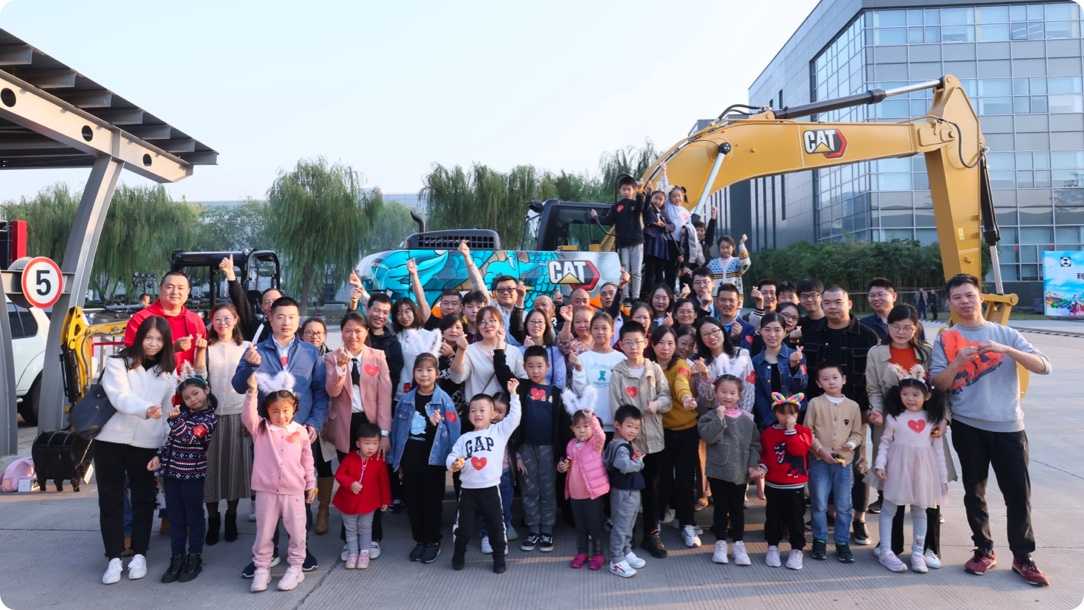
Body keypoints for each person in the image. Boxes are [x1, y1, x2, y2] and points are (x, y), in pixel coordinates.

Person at [930, 274, 1052, 586]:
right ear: (950, 302)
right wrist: (957, 363)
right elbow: (938, 384)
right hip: (968, 426)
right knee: (974, 492)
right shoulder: (946, 338)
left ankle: (1023, 556)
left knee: (1017, 494)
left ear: (980, 297)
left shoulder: (1006, 334)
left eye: (969, 295)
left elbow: (1043, 365)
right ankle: (983, 549)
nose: (964, 301)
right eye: (957, 297)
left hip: (1008, 426)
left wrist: (1007, 351)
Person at [232, 296, 328, 575]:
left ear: (298, 321)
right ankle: (269, 551)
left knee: (301, 492)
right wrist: (248, 366)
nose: (286, 322)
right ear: (270, 319)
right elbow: (238, 385)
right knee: (267, 496)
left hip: (300, 435)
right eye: (280, 317)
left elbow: (320, 393)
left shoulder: (310, 352)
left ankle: (301, 549)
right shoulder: (256, 350)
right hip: (267, 437)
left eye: (292, 317)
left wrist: (314, 423)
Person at [865, 304, 952, 564]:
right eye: (896, 326)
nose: (901, 332)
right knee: (892, 482)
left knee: (928, 486)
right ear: (888, 326)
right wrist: (877, 412)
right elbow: (874, 389)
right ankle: (890, 545)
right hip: (891, 423)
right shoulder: (877, 353)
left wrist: (944, 419)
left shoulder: (926, 352)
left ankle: (929, 548)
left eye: (907, 327)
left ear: (916, 328)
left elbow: (940, 390)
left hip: (927, 425)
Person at [97, 316, 177, 585]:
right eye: (148, 337)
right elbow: (119, 396)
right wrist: (145, 409)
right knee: (111, 500)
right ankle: (113, 557)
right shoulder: (118, 362)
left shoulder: (168, 372)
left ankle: (140, 554)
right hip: (111, 438)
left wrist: (165, 443)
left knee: (144, 499)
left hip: (147, 441)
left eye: (159, 339)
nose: (152, 343)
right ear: (139, 337)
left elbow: (167, 411)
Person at [802, 285, 879, 546]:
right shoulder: (813, 333)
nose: (833, 307)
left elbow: (873, 377)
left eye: (838, 301)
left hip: (854, 412)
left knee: (856, 466)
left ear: (849, 303)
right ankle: (830, 513)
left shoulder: (866, 336)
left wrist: (869, 408)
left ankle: (859, 519)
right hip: (820, 411)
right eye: (827, 303)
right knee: (822, 463)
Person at [241, 371, 317, 593]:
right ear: (267, 411)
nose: (281, 416)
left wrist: (311, 483)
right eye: (275, 411)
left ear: (294, 409)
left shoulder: (300, 431)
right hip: (266, 492)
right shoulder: (261, 429)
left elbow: (307, 460)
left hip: (294, 491)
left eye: (285, 410)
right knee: (264, 532)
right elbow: (248, 416)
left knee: (298, 531)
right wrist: (252, 391)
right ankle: (262, 568)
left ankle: (296, 567)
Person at [324, 312, 392, 557]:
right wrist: (341, 367)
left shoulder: (377, 356)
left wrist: (384, 433)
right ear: (341, 332)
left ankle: (373, 537)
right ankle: (349, 539)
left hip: (371, 424)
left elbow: (384, 396)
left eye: (358, 331)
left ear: (366, 332)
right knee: (349, 480)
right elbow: (332, 391)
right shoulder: (331, 357)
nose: (353, 336)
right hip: (345, 424)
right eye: (348, 331)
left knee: (372, 480)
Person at [872, 374, 948, 574]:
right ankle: (886, 551)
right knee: (889, 508)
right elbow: (885, 442)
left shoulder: (932, 420)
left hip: (922, 471)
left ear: (927, 396)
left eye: (915, 394)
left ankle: (917, 553)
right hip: (897, 469)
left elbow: (938, 450)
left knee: (920, 509)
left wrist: (942, 477)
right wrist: (880, 464)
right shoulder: (894, 417)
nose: (910, 398)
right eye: (905, 394)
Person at [389, 353, 460, 563]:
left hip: (433, 460)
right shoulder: (405, 400)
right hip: (410, 457)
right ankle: (420, 539)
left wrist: (452, 455)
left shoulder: (444, 400)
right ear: (413, 373)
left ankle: (433, 540)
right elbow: (397, 431)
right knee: (413, 500)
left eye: (429, 370)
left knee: (432, 501)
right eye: (419, 370)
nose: (424, 374)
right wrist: (396, 459)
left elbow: (454, 430)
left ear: (437, 374)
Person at [610, 321, 672, 558]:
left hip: (653, 439)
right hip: (629, 443)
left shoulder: (653, 369)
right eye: (628, 342)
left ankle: (651, 534)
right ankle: (626, 535)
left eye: (637, 341)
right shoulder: (618, 372)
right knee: (628, 491)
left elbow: (666, 397)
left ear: (645, 342)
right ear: (621, 344)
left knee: (652, 489)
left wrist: (657, 404)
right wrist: (625, 437)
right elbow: (616, 407)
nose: (633, 346)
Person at [447, 379, 523, 574]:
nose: (477, 414)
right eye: (473, 410)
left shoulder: (498, 431)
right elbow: (452, 456)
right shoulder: (464, 438)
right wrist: (453, 464)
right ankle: (458, 555)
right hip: (468, 491)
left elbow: (514, 417)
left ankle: (499, 559)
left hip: (490, 490)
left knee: (496, 526)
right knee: (463, 528)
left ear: (493, 414)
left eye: (482, 410)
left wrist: (514, 395)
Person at [149, 373, 217, 583]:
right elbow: (171, 441)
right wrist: (159, 458)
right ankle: (177, 557)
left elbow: (190, 437)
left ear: (206, 391)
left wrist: (175, 420)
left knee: (194, 517)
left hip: (192, 476)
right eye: (187, 397)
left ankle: (194, 556)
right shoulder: (183, 415)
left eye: (195, 393)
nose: (192, 399)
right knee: (176, 518)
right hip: (172, 474)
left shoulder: (209, 419)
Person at [697, 374, 761, 566]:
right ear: (716, 393)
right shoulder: (709, 416)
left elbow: (755, 444)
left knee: (737, 509)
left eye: (732, 393)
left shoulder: (747, 419)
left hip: (740, 471)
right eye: (723, 392)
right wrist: (719, 417)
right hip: (718, 471)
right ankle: (720, 543)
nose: (728, 396)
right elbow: (709, 437)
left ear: (739, 395)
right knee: (720, 508)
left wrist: (753, 465)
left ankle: (739, 544)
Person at [758, 393, 827, 570]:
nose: (787, 417)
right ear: (776, 414)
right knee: (773, 517)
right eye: (783, 413)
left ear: (797, 414)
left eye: (792, 413)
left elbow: (798, 450)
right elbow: (765, 455)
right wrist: (762, 468)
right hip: (774, 483)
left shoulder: (803, 432)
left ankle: (797, 549)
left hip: (795, 484)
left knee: (796, 518)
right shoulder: (768, 433)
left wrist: (790, 431)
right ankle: (772, 547)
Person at [805, 364, 863, 564]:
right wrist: (821, 450)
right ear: (818, 383)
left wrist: (851, 444)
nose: (831, 382)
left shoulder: (853, 406)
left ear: (843, 380)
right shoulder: (815, 403)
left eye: (835, 377)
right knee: (819, 502)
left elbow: (857, 433)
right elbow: (808, 431)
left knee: (844, 505)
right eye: (825, 379)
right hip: (820, 460)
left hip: (843, 463)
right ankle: (819, 539)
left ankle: (842, 542)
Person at [203, 304, 251, 545]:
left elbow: (254, 383)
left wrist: (250, 417)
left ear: (236, 319)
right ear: (211, 321)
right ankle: (213, 519)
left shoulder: (247, 347)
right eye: (217, 319)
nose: (222, 323)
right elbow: (199, 378)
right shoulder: (206, 348)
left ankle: (231, 516)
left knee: (235, 469)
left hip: (238, 414)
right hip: (210, 416)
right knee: (210, 471)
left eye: (227, 318)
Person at [510, 346, 567, 553]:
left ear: (548, 366)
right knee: (529, 489)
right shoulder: (521, 389)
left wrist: (563, 456)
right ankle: (533, 529)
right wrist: (516, 453)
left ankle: (547, 530)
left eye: (539, 366)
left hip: (548, 449)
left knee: (548, 489)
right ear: (524, 367)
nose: (535, 370)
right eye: (531, 366)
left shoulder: (556, 393)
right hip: (526, 448)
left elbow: (563, 427)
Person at [650, 326, 699, 548]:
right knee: (661, 479)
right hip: (660, 431)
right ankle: (657, 521)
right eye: (661, 343)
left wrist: (686, 398)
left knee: (685, 480)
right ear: (652, 345)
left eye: (670, 343)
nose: (666, 348)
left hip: (686, 429)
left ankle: (687, 523)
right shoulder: (648, 366)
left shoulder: (680, 365)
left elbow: (681, 383)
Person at [334, 423, 391, 570]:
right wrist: (350, 483)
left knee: (366, 528)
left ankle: (364, 553)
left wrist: (385, 500)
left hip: (368, 502)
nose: (371, 448)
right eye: (367, 443)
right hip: (348, 502)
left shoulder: (379, 461)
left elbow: (383, 482)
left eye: (375, 443)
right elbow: (340, 474)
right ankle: (353, 553)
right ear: (358, 444)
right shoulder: (350, 458)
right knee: (351, 529)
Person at [123, 271, 206, 372]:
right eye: (170, 287)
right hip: (150, 378)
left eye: (180, 288)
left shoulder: (195, 320)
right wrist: (172, 348)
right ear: (161, 288)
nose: (175, 292)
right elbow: (133, 355)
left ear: (188, 291)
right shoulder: (141, 318)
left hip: (187, 379)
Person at [559, 409, 609, 571]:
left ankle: (598, 554)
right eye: (578, 427)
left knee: (595, 526)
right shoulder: (570, 445)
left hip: (592, 494)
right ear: (572, 429)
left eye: (586, 426)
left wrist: (592, 418)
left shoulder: (595, 444)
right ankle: (582, 553)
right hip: (575, 493)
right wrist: (562, 467)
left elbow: (601, 435)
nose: (582, 430)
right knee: (580, 527)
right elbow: (567, 464)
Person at [604, 405, 647, 578]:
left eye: (636, 427)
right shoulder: (620, 446)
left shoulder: (625, 444)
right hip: (624, 492)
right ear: (617, 425)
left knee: (629, 524)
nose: (633, 431)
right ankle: (616, 559)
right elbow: (624, 466)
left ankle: (626, 551)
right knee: (621, 526)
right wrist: (639, 462)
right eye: (629, 426)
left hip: (631, 490)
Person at [450, 305, 526, 399]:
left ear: (501, 324)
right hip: (478, 406)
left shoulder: (514, 351)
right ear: (478, 326)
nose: (487, 325)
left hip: (506, 406)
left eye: (492, 320)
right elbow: (457, 378)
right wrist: (460, 350)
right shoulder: (470, 350)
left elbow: (523, 381)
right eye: (482, 322)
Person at [569, 312, 625, 432]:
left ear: (612, 331)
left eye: (604, 328)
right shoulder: (583, 358)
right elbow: (579, 391)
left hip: (617, 427)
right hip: (590, 426)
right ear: (590, 331)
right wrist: (578, 369)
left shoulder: (621, 359)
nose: (600, 332)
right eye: (596, 328)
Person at [751, 313, 808, 430]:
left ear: (785, 332)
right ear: (760, 331)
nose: (772, 335)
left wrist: (794, 366)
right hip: (767, 423)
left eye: (777, 330)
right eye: (767, 330)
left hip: (794, 418)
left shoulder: (796, 355)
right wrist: (770, 421)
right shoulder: (755, 361)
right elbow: (758, 395)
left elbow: (801, 387)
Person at [592, 175, 645, 300]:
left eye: (629, 189)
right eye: (624, 189)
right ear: (620, 191)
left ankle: (636, 297)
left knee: (636, 271)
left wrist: (640, 193)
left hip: (637, 242)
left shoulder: (635, 204)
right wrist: (595, 217)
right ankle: (625, 296)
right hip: (622, 243)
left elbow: (640, 206)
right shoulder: (616, 207)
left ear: (633, 190)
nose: (626, 192)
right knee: (624, 270)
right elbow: (608, 220)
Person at [690, 318, 755, 414]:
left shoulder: (741, 354)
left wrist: (742, 417)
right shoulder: (700, 362)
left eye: (714, 331)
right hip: (713, 417)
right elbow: (707, 400)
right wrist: (705, 377)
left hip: (740, 416)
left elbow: (748, 390)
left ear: (723, 331)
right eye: (706, 334)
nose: (711, 336)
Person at [220, 255, 281, 343]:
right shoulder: (256, 326)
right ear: (262, 307)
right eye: (267, 302)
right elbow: (241, 302)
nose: (271, 304)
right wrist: (230, 274)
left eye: (275, 301)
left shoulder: (292, 327)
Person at [520, 308, 567, 389]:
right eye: (532, 322)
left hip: (550, 395)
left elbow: (560, 383)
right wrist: (528, 351)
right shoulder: (518, 351)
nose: (536, 325)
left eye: (540, 322)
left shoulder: (555, 352)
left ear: (546, 325)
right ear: (526, 325)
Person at [643, 190, 673, 296]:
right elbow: (647, 219)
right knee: (650, 270)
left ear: (664, 201)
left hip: (661, 244)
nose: (658, 201)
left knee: (660, 271)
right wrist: (656, 223)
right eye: (656, 198)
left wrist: (664, 225)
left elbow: (672, 226)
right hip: (651, 243)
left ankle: (660, 293)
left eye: (661, 199)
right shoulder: (648, 208)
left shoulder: (663, 213)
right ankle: (649, 294)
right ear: (652, 198)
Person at [861, 278, 897, 344]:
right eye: (872, 295)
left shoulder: (908, 321)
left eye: (880, 294)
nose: (876, 298)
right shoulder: (863, 325)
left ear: (894, 296)